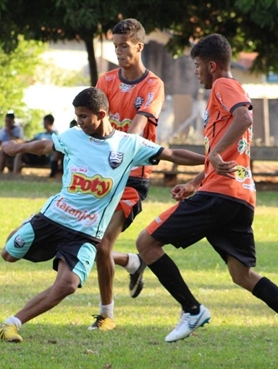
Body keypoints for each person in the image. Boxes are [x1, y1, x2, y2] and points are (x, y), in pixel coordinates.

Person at [135, 34, 278, 360]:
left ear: (211, 65)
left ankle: (192, 310)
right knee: (242, 275)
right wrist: (196, 181)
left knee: (145, 244)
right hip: (238, 197)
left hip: (222, 196)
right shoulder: (221, 97)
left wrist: (217, 155)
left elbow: (245, 118)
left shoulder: (224, 85)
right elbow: (223, 154)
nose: (196, 72)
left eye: (197, 66)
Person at [0, 87, 204, 343]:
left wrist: (209, 161)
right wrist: (18, 147)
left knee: (67, 285)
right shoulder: (72, 136)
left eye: (83, 116)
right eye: (76, 116)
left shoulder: (129, 145)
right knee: (8, 254)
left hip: (85, 232)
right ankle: (34, 229)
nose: (78, 121)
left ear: (101, 114)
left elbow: (171, 154)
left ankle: (10, 324)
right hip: (51, 218)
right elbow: (46, 145)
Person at [90, 18, 166, 330]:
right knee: (90, 242)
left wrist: (120, 149)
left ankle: (106, 315)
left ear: (139, 45)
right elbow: (93, 121)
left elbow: (139, 124)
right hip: (101, 173)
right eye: (115, 45)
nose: (119, 51)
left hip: (132, 176)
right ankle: (131, 262)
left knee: (102, 243)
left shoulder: (153, 85)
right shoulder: (105, 81)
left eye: (125, 45)